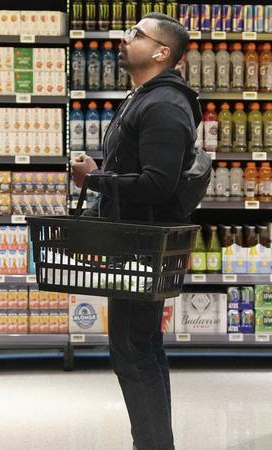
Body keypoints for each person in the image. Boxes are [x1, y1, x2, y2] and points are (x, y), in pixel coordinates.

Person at [70, 12, 199, 450]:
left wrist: (95, 180)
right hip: (134, 239)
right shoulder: (146, 97)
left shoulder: (164, 105)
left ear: (162, 53)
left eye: (136, 34)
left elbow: (157, 184)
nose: (125, 39)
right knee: (140, 347)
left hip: (144, 243)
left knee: (133, 351)